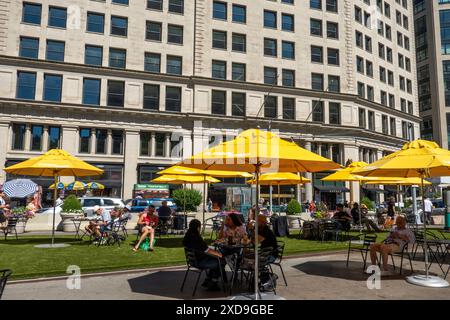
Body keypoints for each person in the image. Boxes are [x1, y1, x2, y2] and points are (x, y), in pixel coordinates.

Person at [182, 219, 224, 291]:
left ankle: (208, 280)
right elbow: (207, 250)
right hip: (200, 262)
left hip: (193, 261)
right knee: (221, 262)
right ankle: (213, 282)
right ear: (198, 227)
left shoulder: (187, 236)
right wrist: (220, 254)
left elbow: (204, 249)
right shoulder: (196, 237)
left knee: (217, 260)